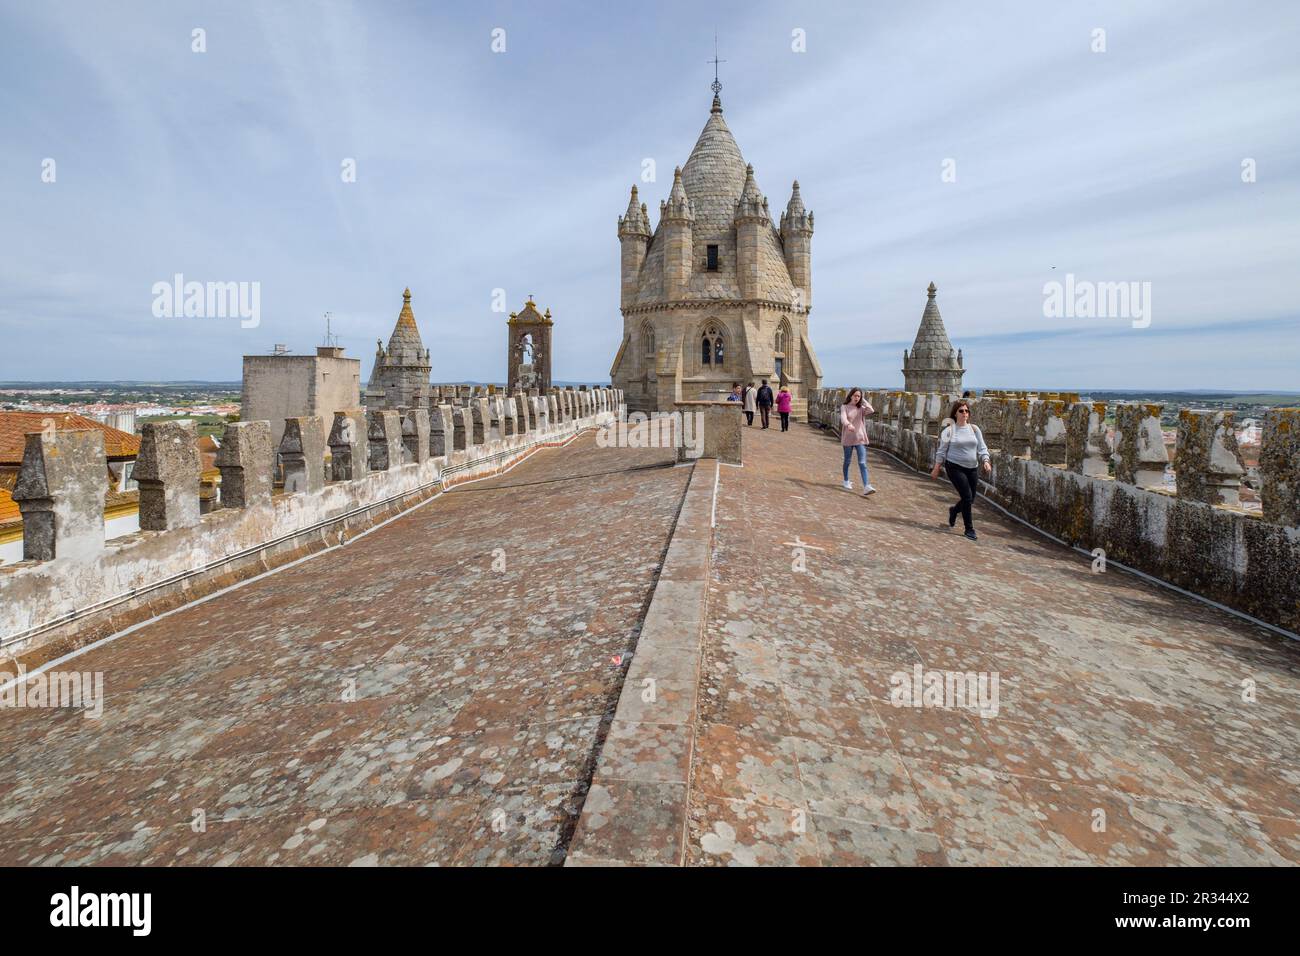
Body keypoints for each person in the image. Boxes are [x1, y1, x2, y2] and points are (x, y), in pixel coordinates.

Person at [929, 399, 991, 540]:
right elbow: (941, 451)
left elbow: (982, 447)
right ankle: (969, 529)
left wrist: (985, 461)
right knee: (967, 497)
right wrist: (937, 467)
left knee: (970, 498)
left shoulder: (974, 429)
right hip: (954, 467)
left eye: (967, 411)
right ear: (955, 414)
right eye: (961, 411)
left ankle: (954, 510)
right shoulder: (949, 431)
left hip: (972, 468)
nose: (964, 413)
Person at [839, 387, 876, 496]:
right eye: (855, 395)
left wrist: (863, 400)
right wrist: (848, 424)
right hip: (848, 438)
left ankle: (866, 486)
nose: (856, 398)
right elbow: (843, 418)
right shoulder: (844, 407)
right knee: (847, 461)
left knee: (862, 462)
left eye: (858, 396)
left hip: (859, 438)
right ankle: (846, 480)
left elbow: (871, 410)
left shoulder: (861, 408)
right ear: (850, 395)